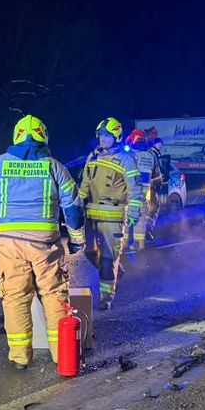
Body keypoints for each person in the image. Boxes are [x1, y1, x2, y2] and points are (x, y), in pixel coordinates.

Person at [0, 115, 85, 369]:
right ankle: (61, 355)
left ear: (16, 136)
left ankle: (20, 356)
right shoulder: (54, 166)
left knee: (14, 297)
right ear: (44, 137)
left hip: (8, 244)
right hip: (45, 244)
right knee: (54, 295)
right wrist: (77, 241)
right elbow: (74, 208)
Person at [79, 117, 142, 308]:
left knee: (107, 258)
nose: (103, 139)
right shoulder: (93, 156)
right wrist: (77, 204)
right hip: (91, 215)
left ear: (116, 136)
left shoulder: (126, 159)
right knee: (89, 254)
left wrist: (133, 213)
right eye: (100, 135)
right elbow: (85, 184)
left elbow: (135, 189)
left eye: (107, 135)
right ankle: (116, 270)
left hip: (113, 217)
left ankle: (106, 298)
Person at [124, 128, 158, 251]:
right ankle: (139, 244)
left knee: (128, 216)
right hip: (145, 193)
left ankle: (127, 243)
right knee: (141, 217)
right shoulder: (151, 155)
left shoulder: (130, 155)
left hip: (131, 191)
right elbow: (156, 175)